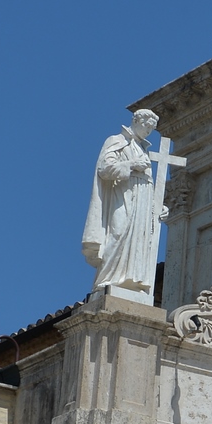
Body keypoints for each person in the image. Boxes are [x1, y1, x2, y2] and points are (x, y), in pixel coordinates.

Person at [82, 109, 160, 296]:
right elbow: (105, 169)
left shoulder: (143, 149)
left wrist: (156, 208)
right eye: (146, 126)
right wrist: (132, 165)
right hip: (121, 195)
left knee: (140, 238)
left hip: (142, 200)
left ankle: (133, 282)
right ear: (136, 121)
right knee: (118, 233)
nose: (148, 131)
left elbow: (148, 183)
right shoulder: (116, 141)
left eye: (151, 128)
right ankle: (106, 280)